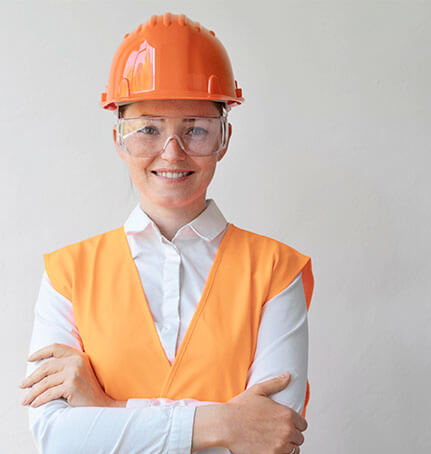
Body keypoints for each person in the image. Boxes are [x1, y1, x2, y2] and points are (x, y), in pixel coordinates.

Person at [19, 13, 314, 454]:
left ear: (224, 139)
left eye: (196, 129)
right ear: (119, 140)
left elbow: (269, 437)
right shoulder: (68, 275)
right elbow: (58, 438)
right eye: (149, 129)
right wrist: (224, 423)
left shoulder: (276, 272)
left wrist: (107, 408)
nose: (172, 152)